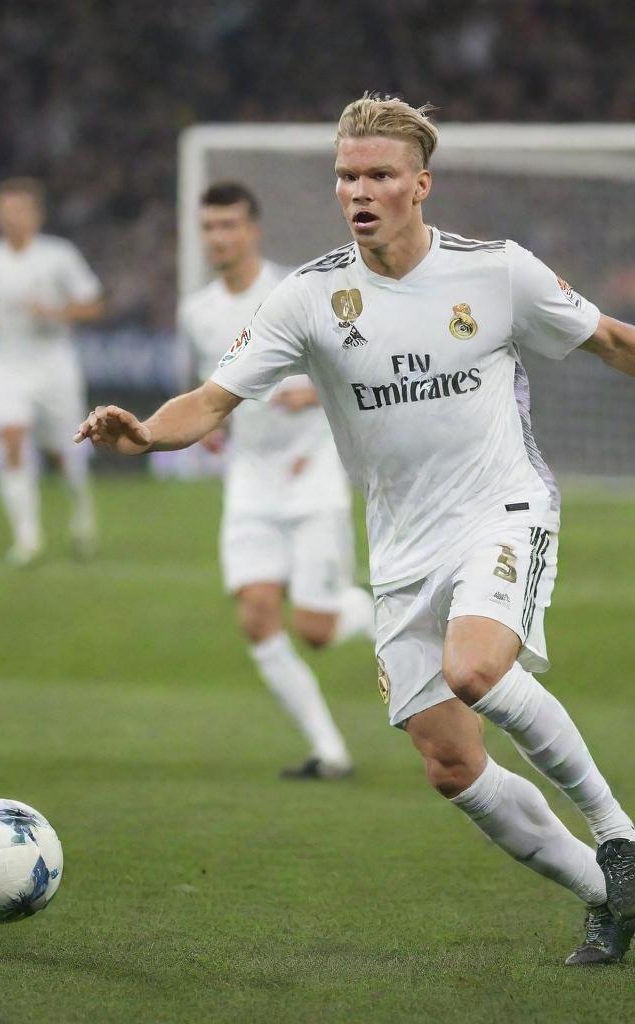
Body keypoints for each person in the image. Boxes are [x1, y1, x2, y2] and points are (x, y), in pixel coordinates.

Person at [76, 96, 635, 964]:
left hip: (503, 505)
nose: (360, 190)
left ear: (421, 184)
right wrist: (149, 431)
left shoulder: (494, 272)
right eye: (347, 176)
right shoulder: (307, 298)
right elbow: (213, 398)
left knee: (476, 669)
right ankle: (609, 895)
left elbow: (607, 338)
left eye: (379, 174)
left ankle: (618, 837)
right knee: (450, 765)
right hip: (401, 546)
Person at [178, 182, 375, 779]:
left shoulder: (297, 292)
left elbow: (359, 366)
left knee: (315, 630)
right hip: (250, 481)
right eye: (210, 227)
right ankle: (330, 751)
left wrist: (311, 392)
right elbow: (217, 389)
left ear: (253, 230)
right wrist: (214, 429)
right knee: (257, 616)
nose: (219, 238)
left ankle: (374, 610)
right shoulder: (197, 312)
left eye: (230, 226)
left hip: (311, 473)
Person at [0, 178, 104, 565]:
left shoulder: (59, 256)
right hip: (5, 363)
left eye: (18, 210)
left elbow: (93, 306)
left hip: (53, 363)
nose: (10, 218)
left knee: (64, 452)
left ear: (36, 216)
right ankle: (28, 538)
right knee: (11, 439)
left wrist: (55, 313)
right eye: (4, 211)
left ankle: (82, 508)